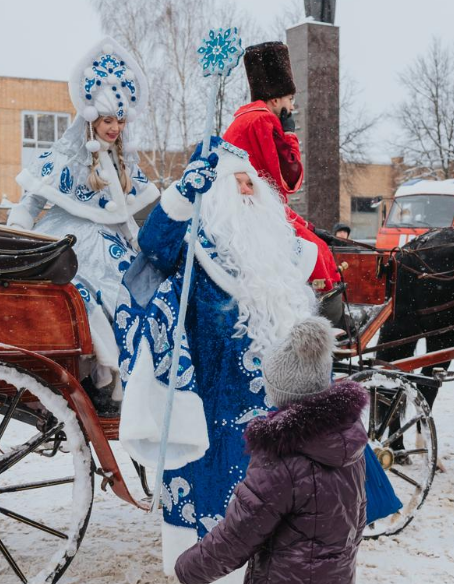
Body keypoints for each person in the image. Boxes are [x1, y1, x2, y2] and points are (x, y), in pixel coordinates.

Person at [114, 137, 323, 579]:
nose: (248, 190)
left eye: (252, 183)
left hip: (277, 407)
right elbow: (151, 250)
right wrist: (184, 192)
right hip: (213, 403)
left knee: (274, 503)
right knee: (218, 506)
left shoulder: (280, 253)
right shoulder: (194, 246)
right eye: (238, 183)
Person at [7, 37, 159, 410]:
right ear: (91, 120)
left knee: (136, 294)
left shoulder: (122, 163)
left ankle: (128, 380)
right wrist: (15, 234)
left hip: (111, 246)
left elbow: (124, 218)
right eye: (108, 120)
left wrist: (145, 247)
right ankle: (95, 378)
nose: (115, 128)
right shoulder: (67, 154)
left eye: (119, 121)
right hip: (66, 244)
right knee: (86, 297)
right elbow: (32, 201)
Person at [174, 320, 367, 584]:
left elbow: (238, 534)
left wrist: (188, 568)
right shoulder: (349, 437)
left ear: (279, 392)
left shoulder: (281, 457)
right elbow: (358, 515)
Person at [223, 41, 340, 294]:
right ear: (275, 99)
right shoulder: (264, 119)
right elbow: (289, 177)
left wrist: (307, 225)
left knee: (315, 242)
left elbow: (271, 191)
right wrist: (289, 135)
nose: (292, 107)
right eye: (290, 99)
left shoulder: (242, 118)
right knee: (318, 255)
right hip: (257, 216)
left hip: (248, 210)